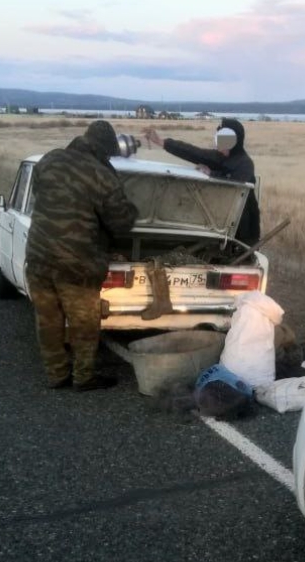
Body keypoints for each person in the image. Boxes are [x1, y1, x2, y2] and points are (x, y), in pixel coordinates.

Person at [26, 120, 139, 391]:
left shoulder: (49, 159)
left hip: (39, 257)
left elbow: (39, 195)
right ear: (105, 150)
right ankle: (83, 377)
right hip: (76, 263)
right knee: (84, 323)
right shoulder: (102, 175)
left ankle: (56, 375)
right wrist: (133, 210)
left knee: (48, 320)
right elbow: (120, 223)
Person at [143, 118, 261, 245]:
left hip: (244, 231)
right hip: (222, 226)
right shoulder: (220, 157)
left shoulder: (245, 163)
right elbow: (193, 152)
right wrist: (163, 143)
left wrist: (212, 174)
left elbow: (235, 185)